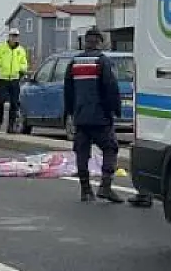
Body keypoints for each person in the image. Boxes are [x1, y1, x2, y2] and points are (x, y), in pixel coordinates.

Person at [63, 28, 149, 205]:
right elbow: (111, 89)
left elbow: (68, 91)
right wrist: (114, 110)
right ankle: (105, 186)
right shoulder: (102, 62)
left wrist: (72, 112)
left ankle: (85, 190)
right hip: (100, 117)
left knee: (82, 152)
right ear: (99, 42)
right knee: (110, 149)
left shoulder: (74, 62)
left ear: (85, 42)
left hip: (80, 117)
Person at [0, 29, 29, 133]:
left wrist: (21, 70)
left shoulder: (21, 50)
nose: (14, 38)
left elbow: (24, 64)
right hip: (3, 79)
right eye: (12, 35)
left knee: (14, 104)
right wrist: (1, 62)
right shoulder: (1, 48)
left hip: (15, 79)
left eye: (16, 36)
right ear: (9, 36)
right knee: (0, 101)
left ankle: (11, 126)